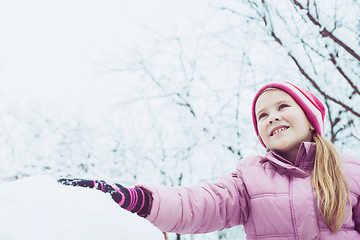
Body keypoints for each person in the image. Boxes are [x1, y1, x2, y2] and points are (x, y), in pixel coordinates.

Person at [58, 81, 360, 239]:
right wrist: (137, 199)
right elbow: (198, 204)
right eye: (262, 115)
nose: (273, 117)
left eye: (283, 106)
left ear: (310, 118)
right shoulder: (250, 177)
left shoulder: (351, 171)